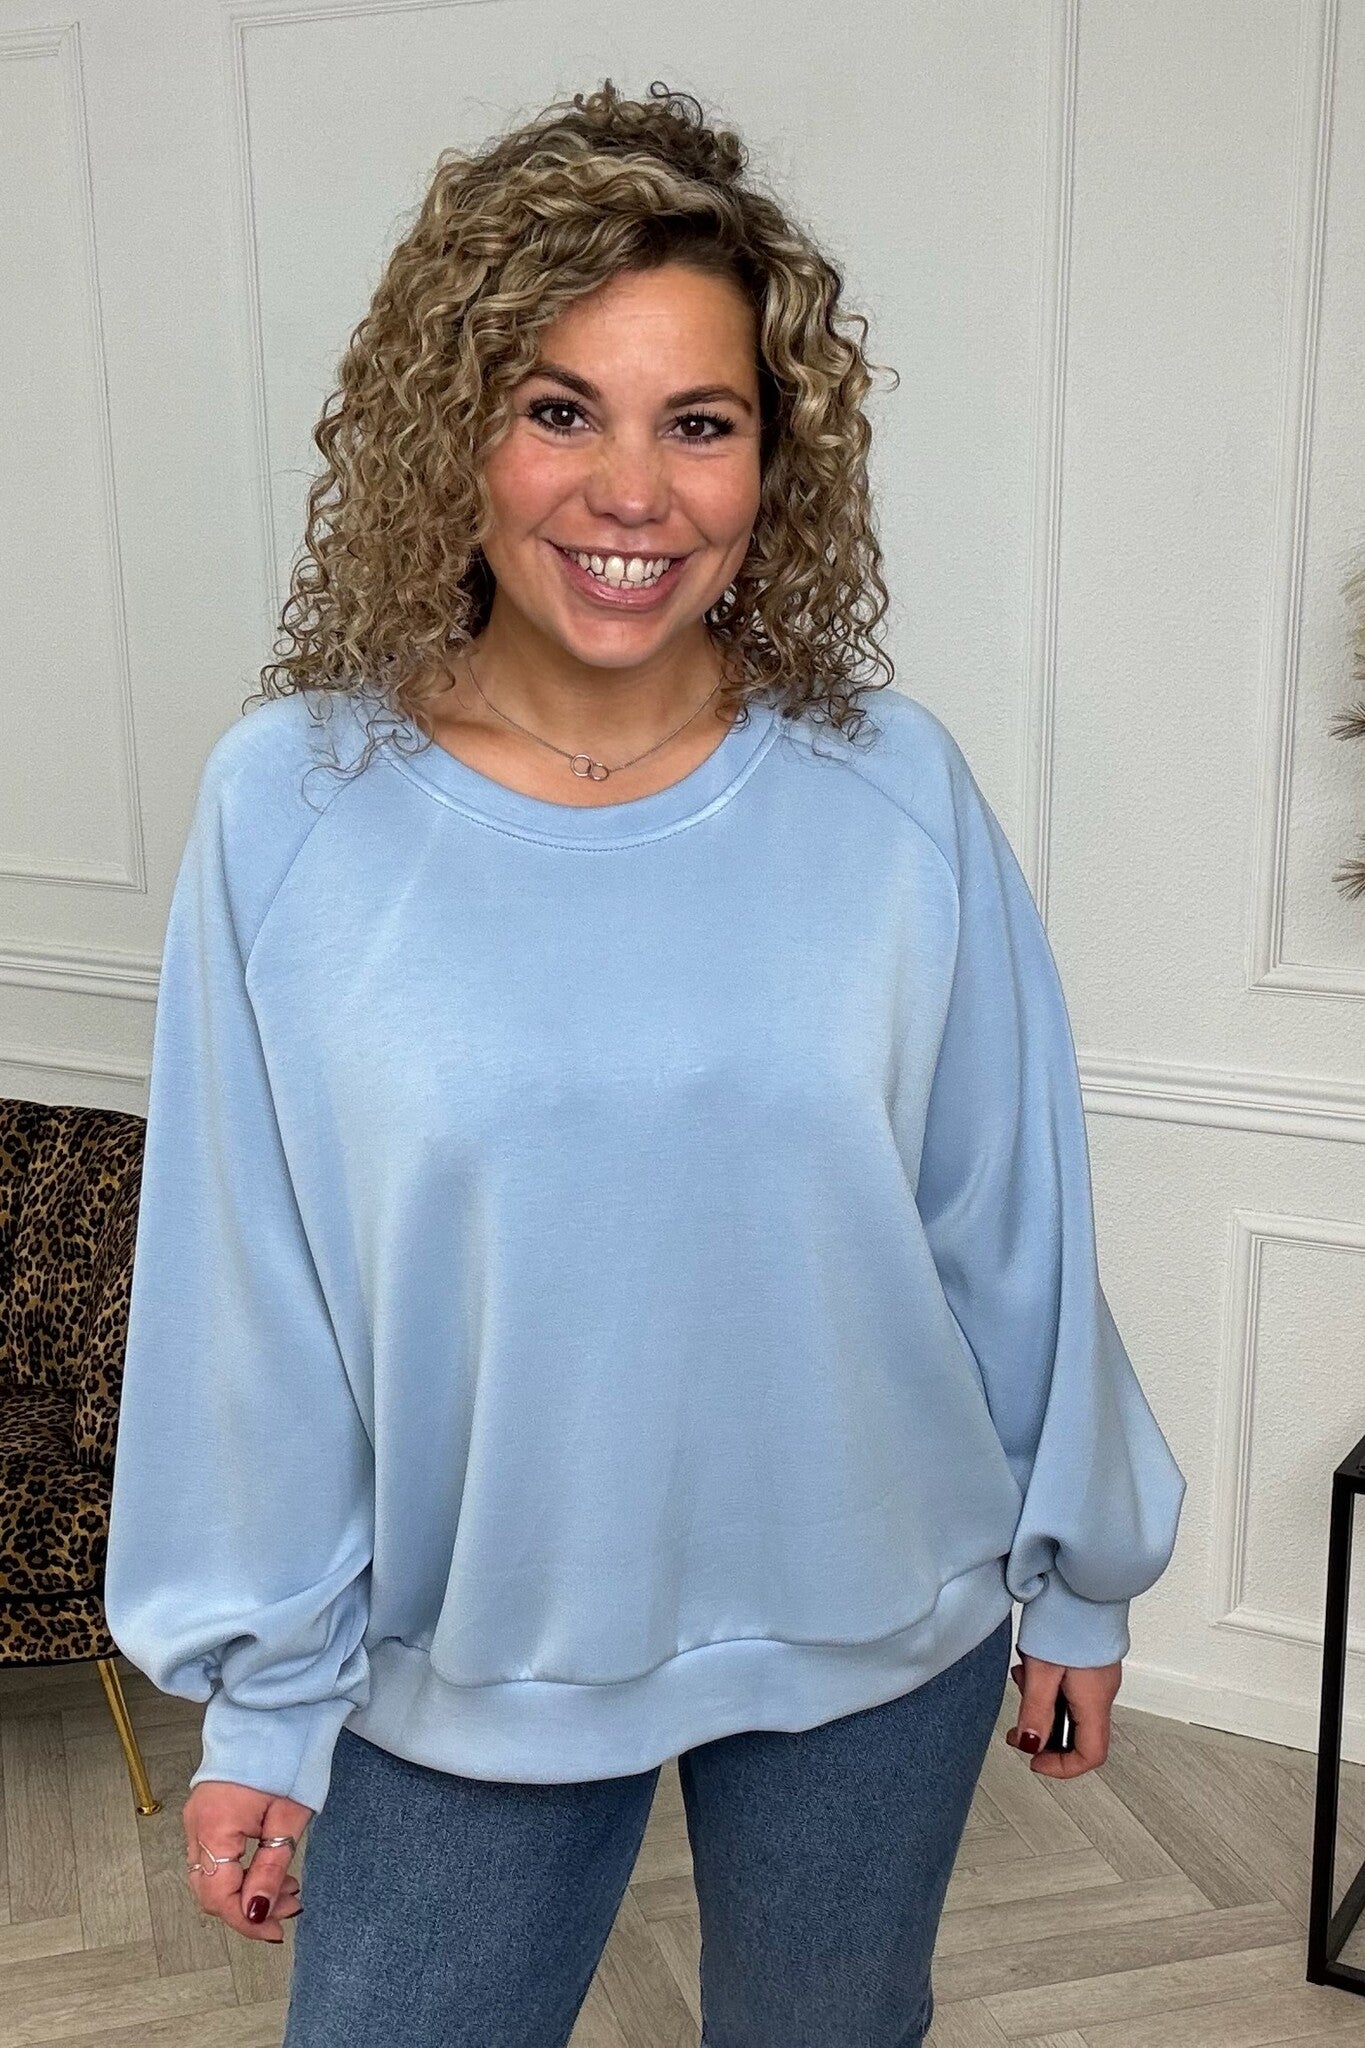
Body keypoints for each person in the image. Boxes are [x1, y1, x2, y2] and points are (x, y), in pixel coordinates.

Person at [103, 79, 1186, 2048]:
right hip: (465, 1656)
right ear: (453, 431)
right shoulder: (294, 804)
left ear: (776, 459)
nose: (631, 492)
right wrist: (263, 1696)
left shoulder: (888, 789)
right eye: (559, 409)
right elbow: (245, 1296)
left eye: (699, 422)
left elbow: (1004, 1223)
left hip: (882, 1629)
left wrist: (1082, 1575)